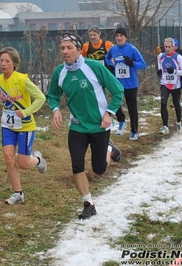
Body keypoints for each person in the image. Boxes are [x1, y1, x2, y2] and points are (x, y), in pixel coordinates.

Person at [46, 33, 124, 219]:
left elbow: (118, 90)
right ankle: (88, 204)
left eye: (69, 48)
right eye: (62, 48)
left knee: (98, 170)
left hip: (99, 125)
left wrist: (109, 113)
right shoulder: (60, 72)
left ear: (79, 50)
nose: (65, 51)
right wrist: (56, 109)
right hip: (77, 126)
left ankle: (109, 149)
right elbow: (52, 95)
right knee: (76, 166)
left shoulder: (94, 67)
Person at [0, 47, 47, 205]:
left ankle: (38, 159)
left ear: (14, 63)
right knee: (8, 158)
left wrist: (27, 111)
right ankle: (18, 193)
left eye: (7, 61)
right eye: (1, 61)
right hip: (7, 125)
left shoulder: (22, 80)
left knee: (23, 163)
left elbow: (40, 98)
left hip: (25, 126)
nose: (3, 64)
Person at [81, 26, 127, 136]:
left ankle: (121, 120)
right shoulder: (86, 46)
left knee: (113, 95)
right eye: (90, 35)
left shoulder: (107, 44)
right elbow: (81, 59)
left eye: (94, 35)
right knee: (96, 97)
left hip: (106, 74)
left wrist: (112, 63)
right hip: (92, 75)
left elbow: (115, 53)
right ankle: (98, 118)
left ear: (99, 34)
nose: (92, 37)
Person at [106, 28, 147, 141]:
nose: (119, 38)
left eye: (121, 36)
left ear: (126, 37)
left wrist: (132, 63)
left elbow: (143, 65)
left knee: (132, 108)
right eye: (117, 36)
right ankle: (122, 120)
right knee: (115, 104)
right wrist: (110, 65)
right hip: (118, 83)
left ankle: (134, 131)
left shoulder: (132, 49)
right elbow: (107, 57)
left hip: (131, 84)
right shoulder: (113, 49)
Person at [157, 38, 182, 134]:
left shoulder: (178, 57)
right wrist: (159, 73)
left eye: (169, 47)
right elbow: (160, 68)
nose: (167, 49)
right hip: (165, 83)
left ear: (173, 47)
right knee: (163, 102)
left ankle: (179, 123)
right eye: (165, 47)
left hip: (175, 84)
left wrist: (175, 71)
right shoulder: (161, 56)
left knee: (176, 104)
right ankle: (165, 126)